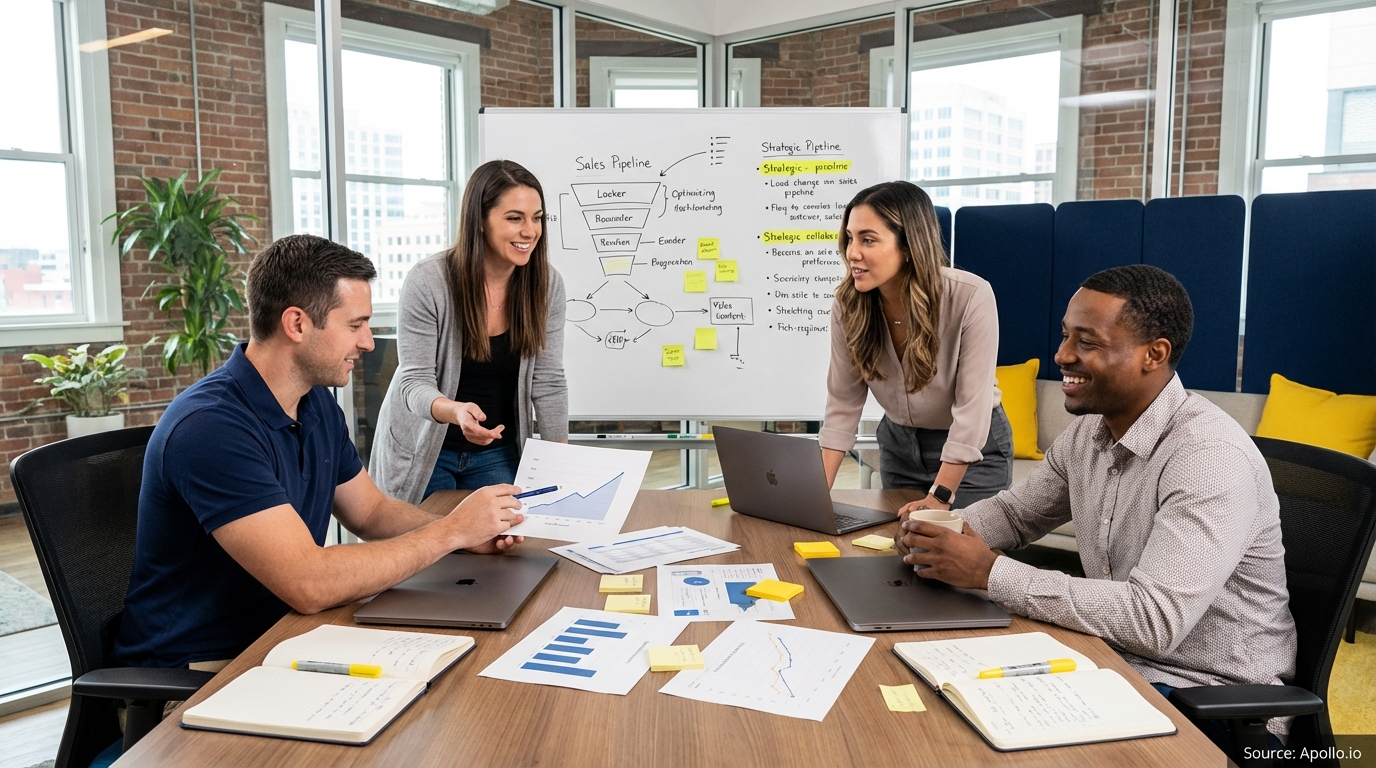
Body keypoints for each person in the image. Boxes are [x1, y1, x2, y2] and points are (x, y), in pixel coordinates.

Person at [901, 264, 1296, 747]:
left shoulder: (1209, 458)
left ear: (1155, 354)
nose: (1062, 354)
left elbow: (1153, 621)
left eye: (1087, 342)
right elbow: (1014, 515)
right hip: (1107, 664)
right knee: (940, 699)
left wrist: (989, 573)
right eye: (1066, 336)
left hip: (1209, 702)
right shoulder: (1091, 430)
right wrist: (940, 531)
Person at [113, 235, 527, 670]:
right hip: (199, 670)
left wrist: (466, 533)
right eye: (355, 325)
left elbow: (370, 513)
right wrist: (450, 535)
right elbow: (310, 582)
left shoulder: (314, 403)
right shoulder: (210, 428)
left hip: (284, 638)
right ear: (296, 324)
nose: (368, 342)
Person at [371, 160, 568, 504]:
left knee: (504, 546)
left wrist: (561, 462)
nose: (530, 231)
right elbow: (413, 383)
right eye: (514, 218)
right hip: (425, 449)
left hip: (497, 451)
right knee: (429, 550)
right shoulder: (429, 281)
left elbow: (548, 381)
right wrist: (456, 411)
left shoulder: (546, 285)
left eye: (537, 218)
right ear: (479, 220)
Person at [819, 180, 1010, 511]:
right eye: (850, 238)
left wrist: (940, 497)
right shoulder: (848, 305)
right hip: (899, 445)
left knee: (956, 556)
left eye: (868, 240)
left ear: (908, 245)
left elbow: (971, 409)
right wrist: (814, 496)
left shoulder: (970, 296)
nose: (852, 252)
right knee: (899, 557)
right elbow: (843, 406)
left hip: (973, 455)